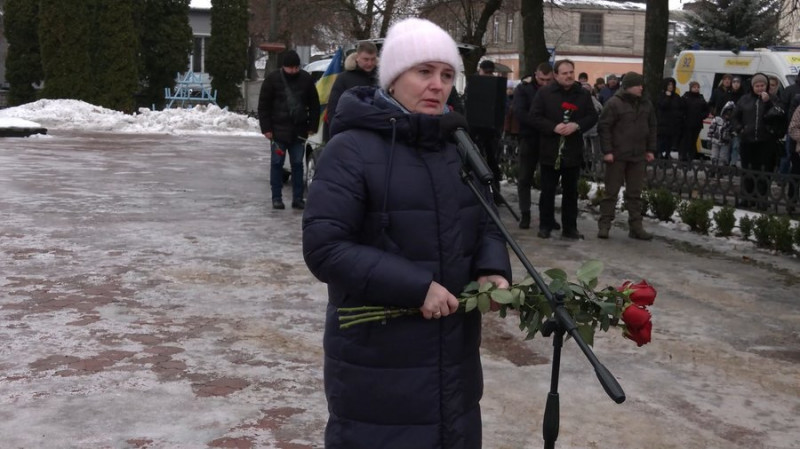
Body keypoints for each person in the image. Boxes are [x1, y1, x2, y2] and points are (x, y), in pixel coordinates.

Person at [301, 17, 512, 449]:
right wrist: (417, 288)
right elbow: (326, 248)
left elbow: (486, 217)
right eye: (424, 72)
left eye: (447, 75)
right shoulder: (350, 149)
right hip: (378, 361)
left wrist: (492, 265)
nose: (438, 85)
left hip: (454, 359)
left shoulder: (456, 144)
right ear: (394, 78)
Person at [530, 59, 598, 240]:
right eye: (564, 73)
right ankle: (545, 225)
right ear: (556, 75)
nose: (569, 76)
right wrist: (553, 127)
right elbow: (534, 117)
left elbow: (592, 116)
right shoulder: (545, 93)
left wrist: (577, 125)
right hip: (550, 150)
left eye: (571, 72)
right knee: (548, 191)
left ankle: (570, 228)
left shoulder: (582, 94)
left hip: (572, 151)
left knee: (571, 192)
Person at [597, 71, 657, 240]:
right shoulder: (614, 104)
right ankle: (604, 225)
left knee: (635, 193)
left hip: (638, 155)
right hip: (617, 155)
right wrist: (607, 151)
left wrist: (650, 149)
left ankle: (636, 227)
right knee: (611, 192)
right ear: (629, 86)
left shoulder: (646, 104)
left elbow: (652, 127)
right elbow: (605, 127)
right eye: (637, 85)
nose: (641, 87)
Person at [258, 49, 320, 210]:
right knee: (277, 164)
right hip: (277, 132)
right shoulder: (272, 80)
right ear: (284, 67)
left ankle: (298, 198)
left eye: (296, 67)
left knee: (298, 165)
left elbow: (314, 105)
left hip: (299, 131)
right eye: (290, 68)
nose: (293, 71)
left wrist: (312, 126)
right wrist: (266, 128)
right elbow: (263, 106)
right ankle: (276, 198)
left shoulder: (306, 79)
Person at [512, 62, 553, 229]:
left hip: (549, 138)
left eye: (548, 80)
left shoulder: (554, 90)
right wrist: (541, 124)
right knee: (524, 178)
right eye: (542, 79)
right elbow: (520, 112)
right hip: (529, 137)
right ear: (536, 74)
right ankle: (525, 213)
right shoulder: (524, 88)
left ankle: (547, 215)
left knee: (548, 180)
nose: (545, 83)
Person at [732, 73, 780, 208]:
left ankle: (762, 200)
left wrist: (768, 102)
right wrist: (740, 129)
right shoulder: (744, 99)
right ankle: (747, 198)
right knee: (748, 171)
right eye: (757, 86)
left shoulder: (773, 99)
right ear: (753, 87)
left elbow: (778, 115)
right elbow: (735, 117)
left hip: (766, 142)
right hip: (748, 141)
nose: (759, 88)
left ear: (767, 86)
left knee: (764, 172)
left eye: (762, 85)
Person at [323, 41, 378, 142]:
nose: (370, 63)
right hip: (352, 136)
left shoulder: (382, 77)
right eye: (366, 59)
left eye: (373, 59)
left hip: (378, 135)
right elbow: (333, 108)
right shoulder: (343, 78)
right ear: (357, 57)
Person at [468, 59, 505, 203]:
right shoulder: (493, 84)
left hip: (482, 130)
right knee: (490, 163)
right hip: (487, 130)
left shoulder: (476, 82)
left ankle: (492, 195)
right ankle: (493, 195)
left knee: (489, 163)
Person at [679, 81, 710, 162]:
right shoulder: (685, 97)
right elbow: (680, 109)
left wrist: (702, 116)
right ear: (691, 88)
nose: (696, 89)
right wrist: (683, 117)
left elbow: (707, 110)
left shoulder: (701, 98)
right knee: (686, 140)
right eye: (694, 87)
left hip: (697, 124)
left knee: (693, 141)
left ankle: (690, 158)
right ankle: (683, 157)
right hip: (686, 124)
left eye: (697, 87)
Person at [656, 77, 685, 159]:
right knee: (661, 141)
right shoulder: (661, 96)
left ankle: (668, 154)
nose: (671, 86)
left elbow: (680, 108)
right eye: (669, 85)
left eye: (672, 85)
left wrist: (679, 117)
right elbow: (663, 106)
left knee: (670, 141)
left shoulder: (676, 97)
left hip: (673, 124)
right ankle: (659, 154)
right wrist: (667, 97)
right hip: (663, 123)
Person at [708, 101, 734, 166]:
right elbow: (711, 129)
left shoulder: (731, 123)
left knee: (723, 157)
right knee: (714, 156)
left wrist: (731, 136)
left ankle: (721, 169)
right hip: (715, 142)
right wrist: (709, 139)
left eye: (730, 113)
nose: (728, 115)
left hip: (725, 143)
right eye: (727, 113)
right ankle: (713, 168)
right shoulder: (717, 119)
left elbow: (733, 132)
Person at [728, 76, 746, 167]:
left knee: (736, 145)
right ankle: (726, 163)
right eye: (734, 82)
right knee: (727, 145)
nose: (735, 84)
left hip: (738, 122)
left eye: (738, 82)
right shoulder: (728, 94)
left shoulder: (744, 96)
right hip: (727, 123)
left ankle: (733, 163)